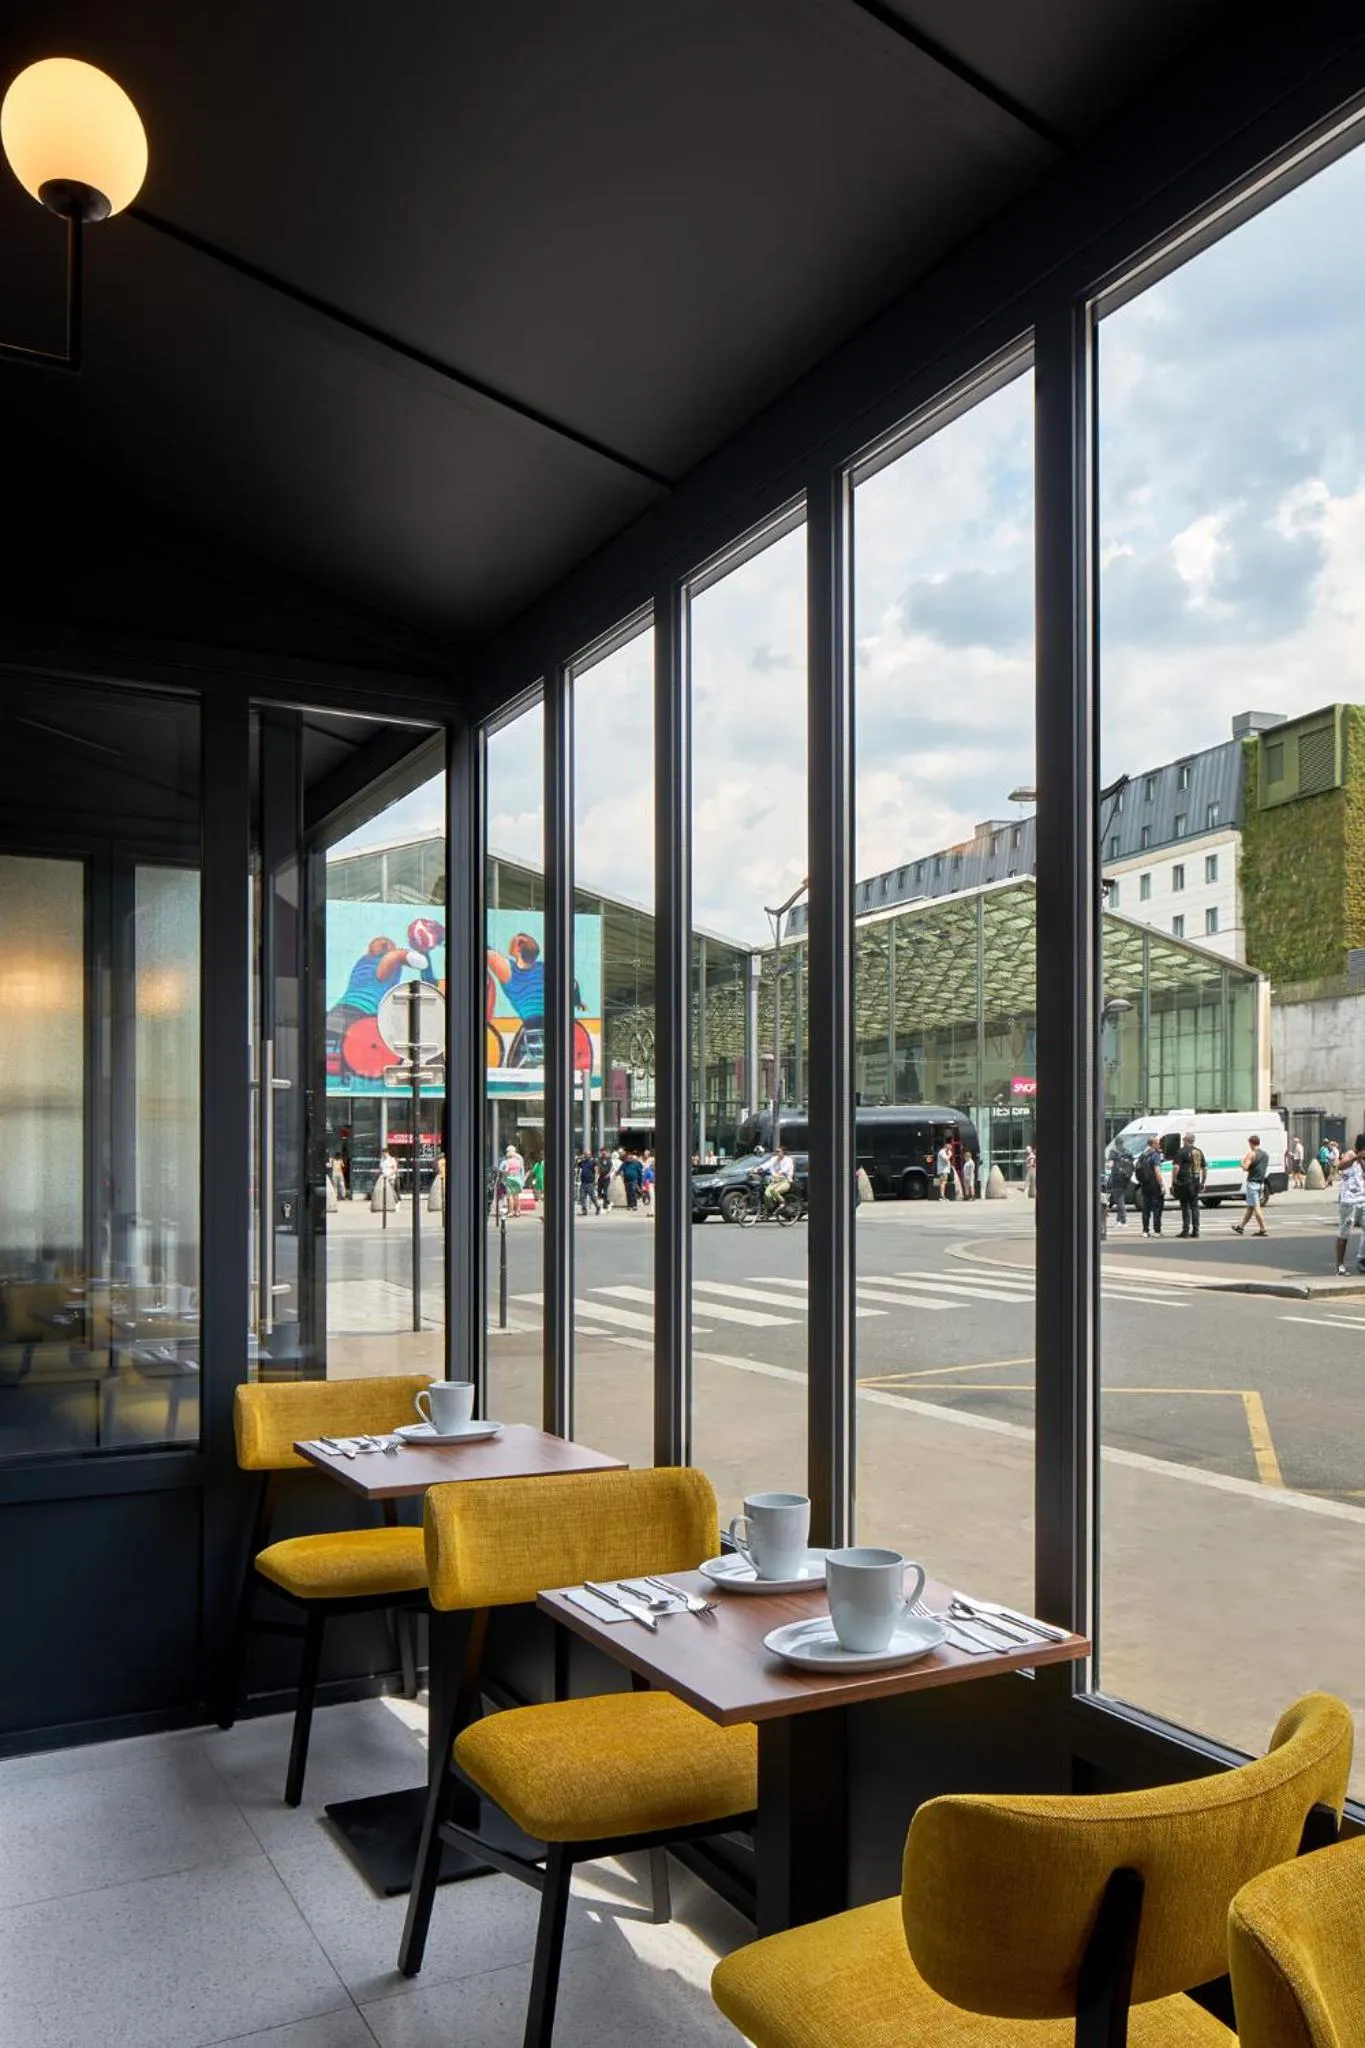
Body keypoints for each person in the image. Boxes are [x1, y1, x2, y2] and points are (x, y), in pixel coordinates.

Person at [1332, 1135, 1365, 1273]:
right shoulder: (1350, 1154)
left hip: (1362, 1200)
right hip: (1348, 1201)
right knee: (1344, 1234)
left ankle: (1362, 1259)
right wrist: (1357, 1157)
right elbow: (1340, 1166)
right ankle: (1340, 1265)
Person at [1232, 1135, 1269, 1237]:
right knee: (1250, 1207)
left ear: (1251, 1143)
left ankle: (1263, 1229)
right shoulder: (1265, 1155)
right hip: (1261, 1184)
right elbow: (1258, 1168)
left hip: (1252, 1183)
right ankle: (1241, 1227)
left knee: (1256, 1207)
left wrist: (1241, 1163)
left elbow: (1245, 1168)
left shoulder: (1251, 1154)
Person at [1172, 1129, 1206, 1239]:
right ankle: (1196, 1230)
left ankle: (1185, 1230)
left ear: (1186, 1140)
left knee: (1185, 1206)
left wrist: (1173, 1180)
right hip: (1195, 1182)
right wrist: (1203, 1182)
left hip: (1184, 1183)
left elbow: (1176, 1167)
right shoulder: (1199, 1152)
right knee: (1195, 1207)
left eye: (1183, 1139)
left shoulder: (1181, 1152)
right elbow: (1204, 1168)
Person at [1134, 1137, 1165, 1237]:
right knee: (1157, 1208)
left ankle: (1145, 1230)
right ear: (1153, 1144)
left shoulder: (1142, 1155)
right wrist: (1162, 1185)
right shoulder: (1155, 1155)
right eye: (1158, 1143)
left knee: (1146, 1208)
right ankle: (1157, 1231)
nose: (1159, 1145)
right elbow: (1157, 1171)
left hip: (1145, 1184)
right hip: (1154, 1184)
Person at [1108, 1139, 1134, 1228]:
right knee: (1120, 1199)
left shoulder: (1113, 1152)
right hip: (1125, 1179)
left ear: (1116, 1144)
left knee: (1119, 1200)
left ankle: (1123, 1221)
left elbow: (1110, 1164)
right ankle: (1119, 1220)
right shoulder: (1127, 1152)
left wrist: (1108, 1165)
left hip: (1117, 1179)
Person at [502, 1141, 525, 1218]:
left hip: (510, 1179)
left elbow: (506, 1170)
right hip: (517, 1179)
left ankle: (511, 1211)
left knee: (510, 1196)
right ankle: (517, 1211)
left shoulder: (507, 1161)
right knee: (516, 1196)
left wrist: (505, 1174)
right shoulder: (518, 1161)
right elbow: (521, 1169)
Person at [577, 1151, 599, 1216]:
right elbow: (577, 1164)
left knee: (592, 1197)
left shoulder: (593, 1162)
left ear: (590, 1155)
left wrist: (596, 1180)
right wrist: (580, 1158)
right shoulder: (582, 1162)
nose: (586, 1155)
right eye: (585, 1154)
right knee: (582, 1197)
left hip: (590, 1182)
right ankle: (584, 1211)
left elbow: (596, 1171)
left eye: (588, 1154)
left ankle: (597, 1207)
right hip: (583, 1182)